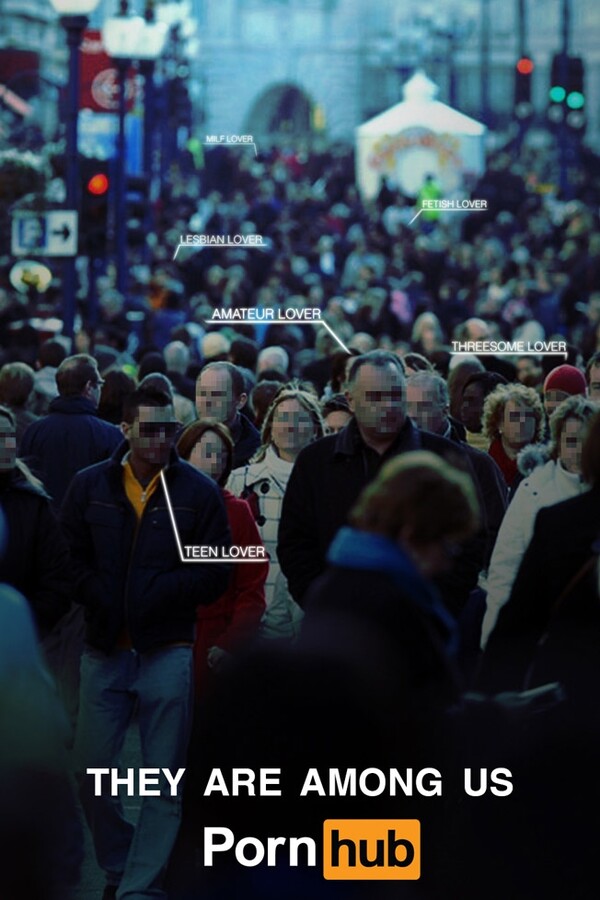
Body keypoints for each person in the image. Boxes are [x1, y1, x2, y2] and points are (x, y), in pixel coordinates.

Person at [60, 384, 231, 900]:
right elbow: (67, 555)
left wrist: (158, 595)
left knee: (162, 783)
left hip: (168, 647)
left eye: (169, 430)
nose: (160, 440)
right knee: (91, 772)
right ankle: (121, 863)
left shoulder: (197, 493)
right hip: (105, 647)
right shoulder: (91, 486)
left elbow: (215, 569)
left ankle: (140, 887)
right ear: (126, 429)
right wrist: (100, 595)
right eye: (150, 429)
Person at [278, 350, 488, 618]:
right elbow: (295, 543)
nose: (388, 406)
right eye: (376, 397)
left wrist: (435, 605)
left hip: (421, 625)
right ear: (351, 401)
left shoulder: (445, 456)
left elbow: (470, 539)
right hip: (338, 622)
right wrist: (324, 603)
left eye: (395, 395)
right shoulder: (316, 461)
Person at [479, 408, 600, 694]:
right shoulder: (536, 493)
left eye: (585, 441)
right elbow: (506, 570)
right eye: (571, 441)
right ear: (558, 443)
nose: (579, 451)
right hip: (559, 657)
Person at [177, 420, 267, 695]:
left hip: (213, 640)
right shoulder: (164, 506)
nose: (214, 461)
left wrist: (231, 642)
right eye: (205, 451)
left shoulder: (238, 512)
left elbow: (252, 587)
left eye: (222, 455)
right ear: (185, 453)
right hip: (166, 638)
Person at [228, 386, 324, 638]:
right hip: (256, 614)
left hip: (312, 615)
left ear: (315, 428)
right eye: (282, 418)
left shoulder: (329, 483)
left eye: (299, 418)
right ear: (270, 428)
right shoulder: (241, 481)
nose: (290, 426)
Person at [0, 405, 71, 640]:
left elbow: (57, 575)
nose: (8, 445)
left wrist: (25, 622)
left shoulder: (32, 504)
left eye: (10, 436)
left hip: (19, 641)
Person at [19, 353, 122, 511]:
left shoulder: (34, 431)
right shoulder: (109, 434)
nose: (100, 390)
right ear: (89, 388)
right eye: (99, 385)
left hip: (44, 523)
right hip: (88, 526)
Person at [195, 361, 260, 467]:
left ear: (240, 401)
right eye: (202, 394)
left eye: (216, 394)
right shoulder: (181, 442)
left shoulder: (258, 451)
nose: (207, 401)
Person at [481, 382, 545, 489]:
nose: (522, 421)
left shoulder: (547, 465)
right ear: (499, 423)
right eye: (515, 416)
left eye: (528, 415)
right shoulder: (483, 466)